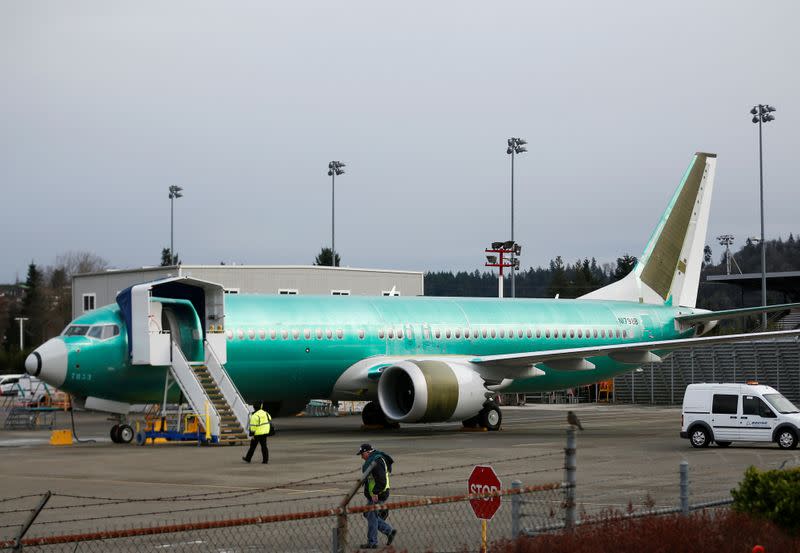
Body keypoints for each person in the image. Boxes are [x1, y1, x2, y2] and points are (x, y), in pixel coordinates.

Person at [357, 443, 397, 549]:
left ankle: (372, 542)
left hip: (378, 493)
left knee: (371, 515)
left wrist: (375, 492)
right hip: (375, 493)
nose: (361, 457)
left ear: (368, 452)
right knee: (368, 514)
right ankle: (389, 531)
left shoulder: (376, 461)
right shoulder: (372, 460)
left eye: (362, 454)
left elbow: (382, 480)